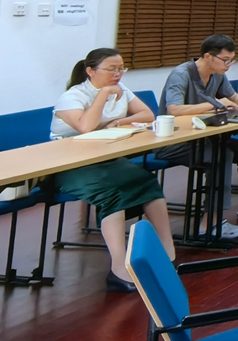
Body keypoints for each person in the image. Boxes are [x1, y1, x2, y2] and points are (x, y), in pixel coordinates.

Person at [50, 48, 176, 292]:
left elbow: (147, 114)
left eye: (121, 69)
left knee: (147, 182)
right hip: (67, 164)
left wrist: (117, 121)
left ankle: (167, 253)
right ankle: (119, 269)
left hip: (103, 157)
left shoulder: (122, 89)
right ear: (90, 71)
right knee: (111, 193)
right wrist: (104, 93)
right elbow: (86, 128)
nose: (118, 74)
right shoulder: (73, 96)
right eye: (111, 69)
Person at [158, 34, 238, 237]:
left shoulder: (217, 74)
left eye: (231, 60)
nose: (229, 65)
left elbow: (233, 97)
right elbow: (174, 110)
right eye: (225, 60)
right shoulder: (181, 74)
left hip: (204, 138)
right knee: (221, 155)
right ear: (208, 56)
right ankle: (209, 224)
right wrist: (214, 104)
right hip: (175, 142)